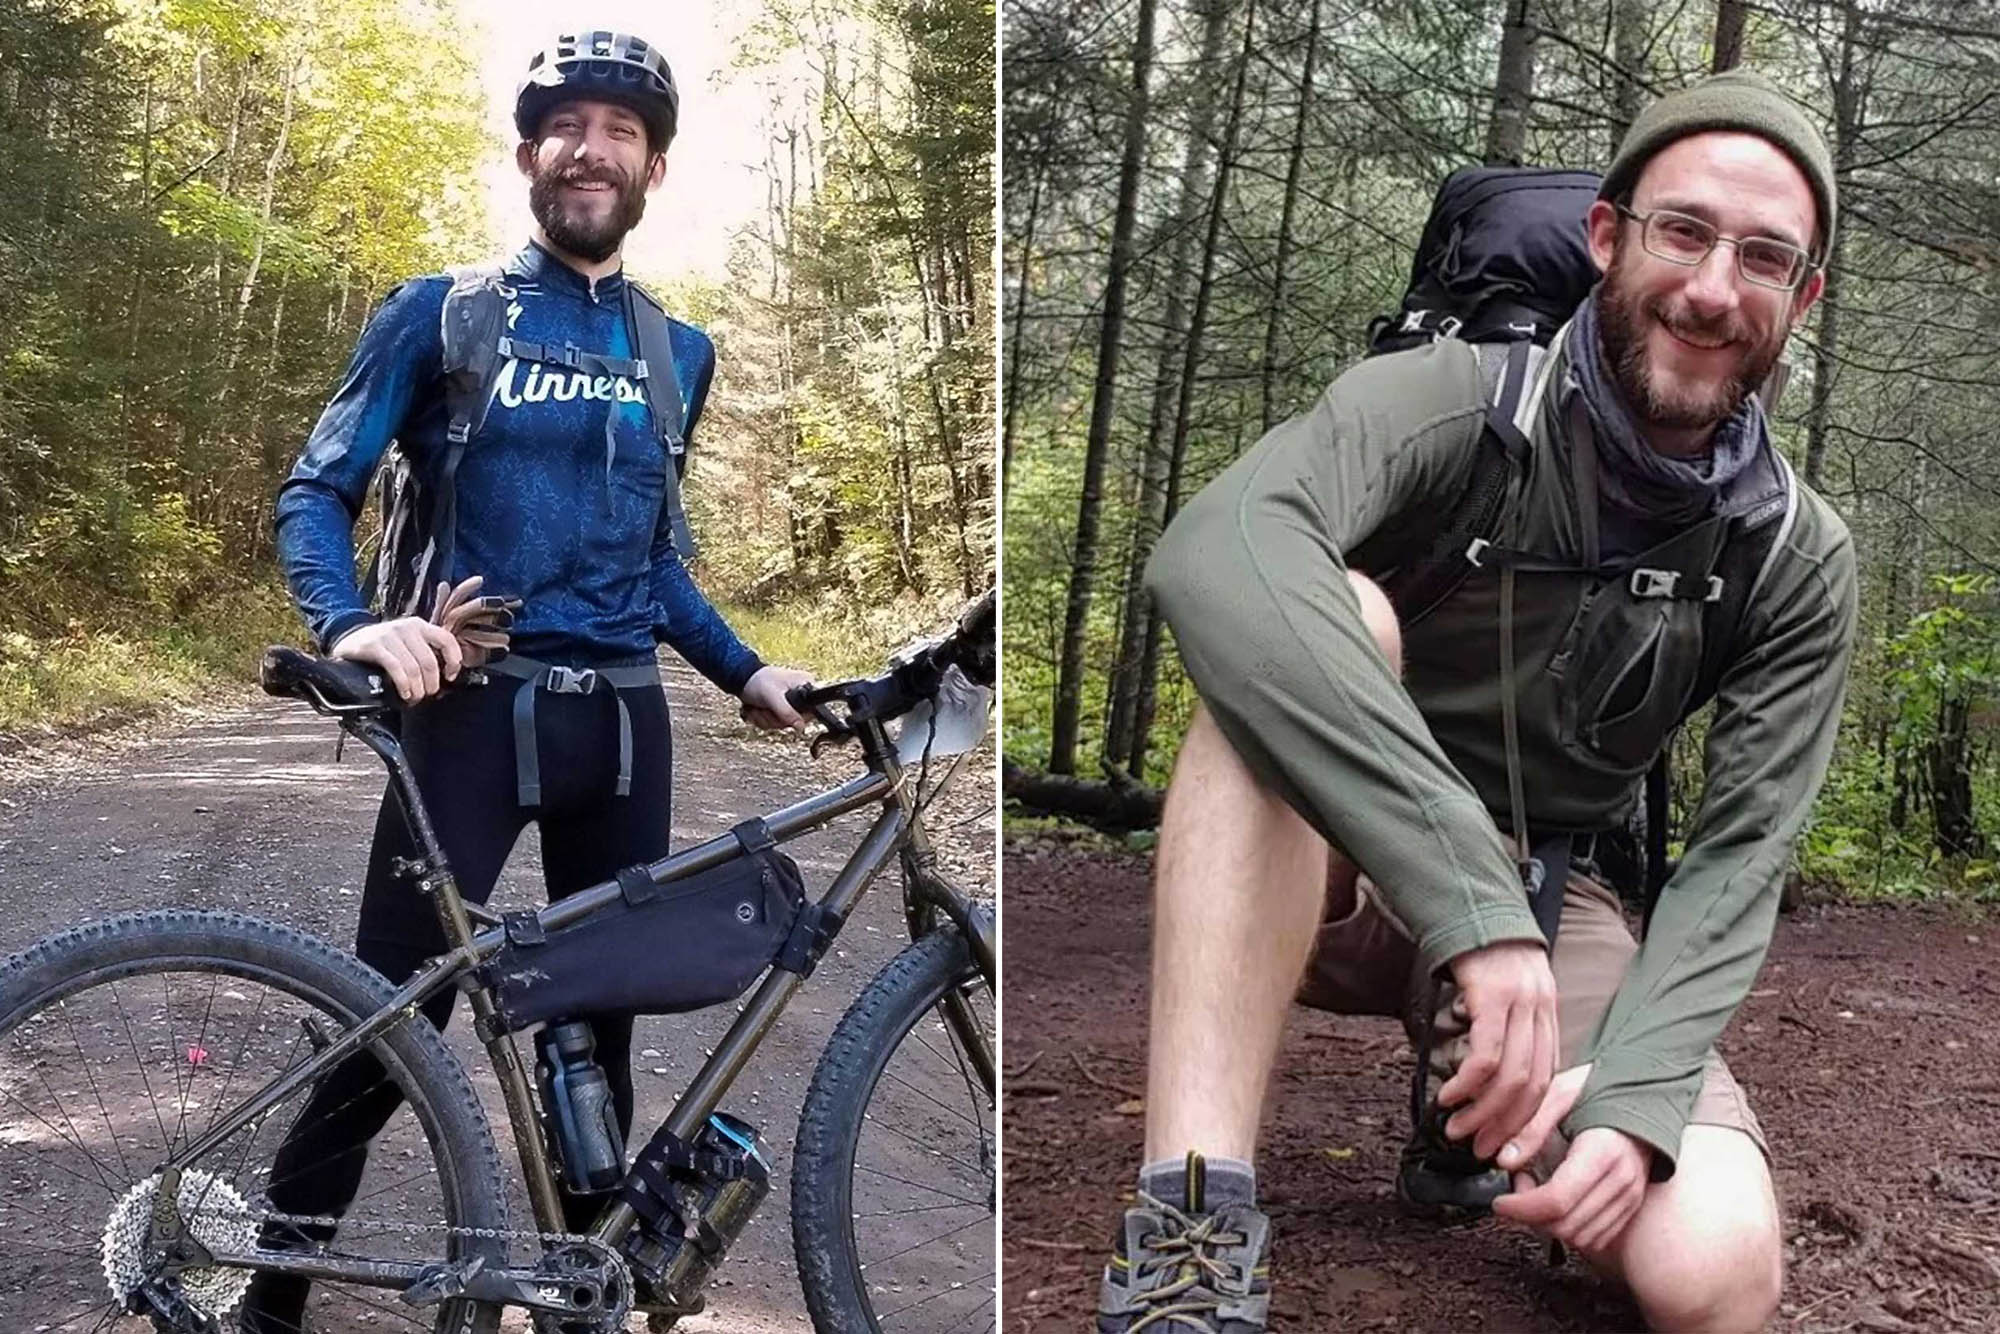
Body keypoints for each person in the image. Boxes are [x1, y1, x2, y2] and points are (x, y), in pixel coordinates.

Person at [1097, 70, 1857, 1334]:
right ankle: (1189, 1224)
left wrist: (1641, 1099)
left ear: (1800, 295)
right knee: (1326, 615)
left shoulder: (1788, 548)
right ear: (1608, 237)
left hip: (1554, 904)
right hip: (1327, 861)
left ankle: (1479, 1080)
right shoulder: (1452, 401)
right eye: (1682, 231)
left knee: (1710, 1269)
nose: (1713, 288)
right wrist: (1467, 899)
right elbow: (1212, 551)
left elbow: (1738, 859)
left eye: (1763, 256)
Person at [247, 30, 812, 1332]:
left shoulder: (683, 350)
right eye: (566, 124)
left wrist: (746, 668)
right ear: (527, 155)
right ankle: (270, 1295)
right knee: (393, 1024)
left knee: (596, 1029)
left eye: (620, 127)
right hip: (468, 717)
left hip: (622, 722)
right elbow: (316, 489)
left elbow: (654, 559)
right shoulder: (441, 311)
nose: (590, 146)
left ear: (655, 167)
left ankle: (575, 1299)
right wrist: (350, 624)